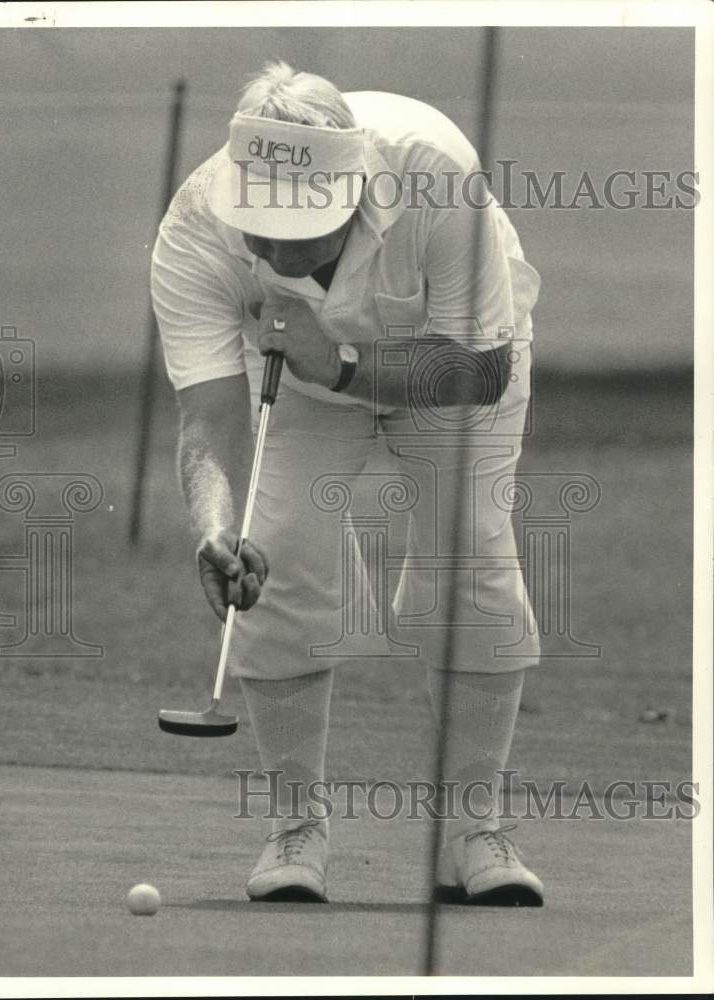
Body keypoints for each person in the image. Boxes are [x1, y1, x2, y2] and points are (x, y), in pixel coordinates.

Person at [151, 61, 544, 905]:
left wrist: (345, 362)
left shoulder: (437, 173)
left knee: (468, 557)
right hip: (290, 378)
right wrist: (214, 526)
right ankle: (295, 828)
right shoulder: (195, 225)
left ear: (356, 191)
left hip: (450, 358)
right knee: (276, 556)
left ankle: (471, 830)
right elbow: (209, 409)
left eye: (304, 235)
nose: (279, 256)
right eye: (262, 236)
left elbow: (479, 367)